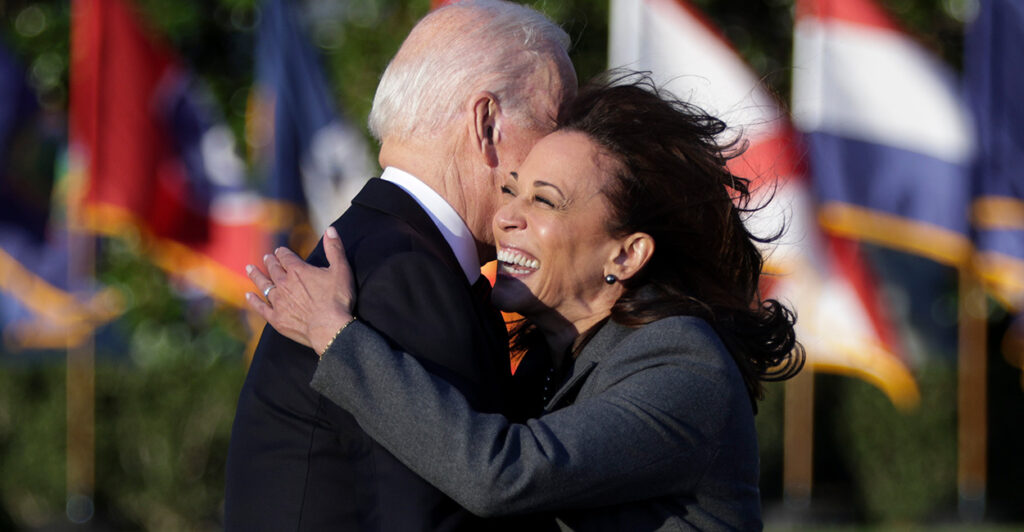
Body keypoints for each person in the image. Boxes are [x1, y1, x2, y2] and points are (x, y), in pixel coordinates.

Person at [248, 73, 805, 531]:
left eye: (545, 201)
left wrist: (336, 337)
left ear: (627, 255)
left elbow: (502, 474)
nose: (507, 217)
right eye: (512, 189)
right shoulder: (547, 361)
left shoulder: (682, 361)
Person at [223, 1, 576, 530]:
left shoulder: (393, 253)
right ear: (486, 124)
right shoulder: (402, 274)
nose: (569, 154)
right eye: (559, 126)